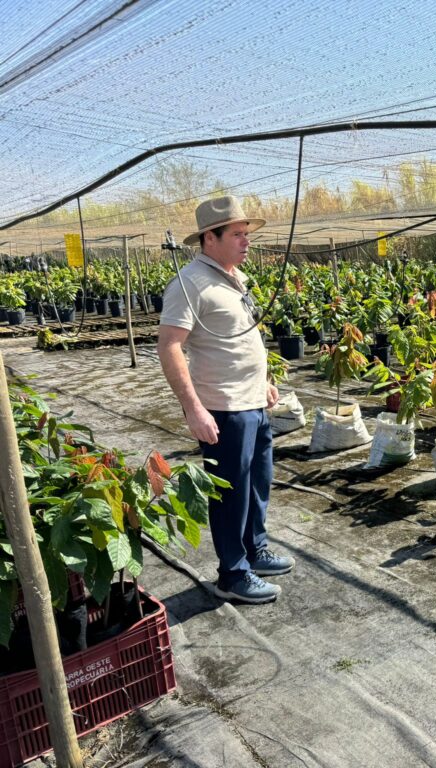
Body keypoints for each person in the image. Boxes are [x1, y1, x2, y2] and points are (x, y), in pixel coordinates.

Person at [157, 196, 294, 604]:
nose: (246, 242)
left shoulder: (234, 278)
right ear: (209, 238)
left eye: (246, 234)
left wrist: (265, 381)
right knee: (231, 492)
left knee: (257, 483)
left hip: (253, 401)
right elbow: (169, 347)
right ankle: (232, 575)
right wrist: (194, 408)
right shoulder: (190, 284)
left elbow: (243, 338)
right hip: (223, 408)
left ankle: (255, 550)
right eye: (237, 234)